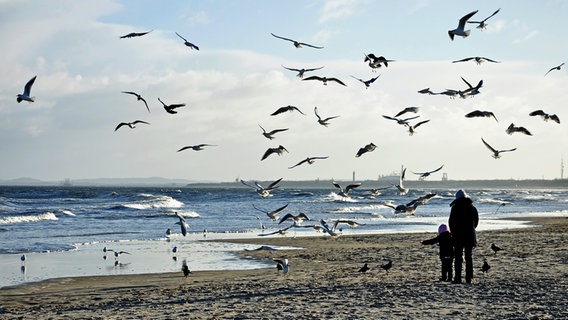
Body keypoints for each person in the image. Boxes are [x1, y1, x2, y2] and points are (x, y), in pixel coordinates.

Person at [448, 189, 479, 284]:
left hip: (458, 235)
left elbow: (451, 222)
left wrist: (453, 232)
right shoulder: (472, 207)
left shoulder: (455, 207)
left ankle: (457, 278)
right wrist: (472, 229)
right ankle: (468, 278)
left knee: (458, 257)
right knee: (468, 257)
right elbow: (476, 221)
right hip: (469, 235)